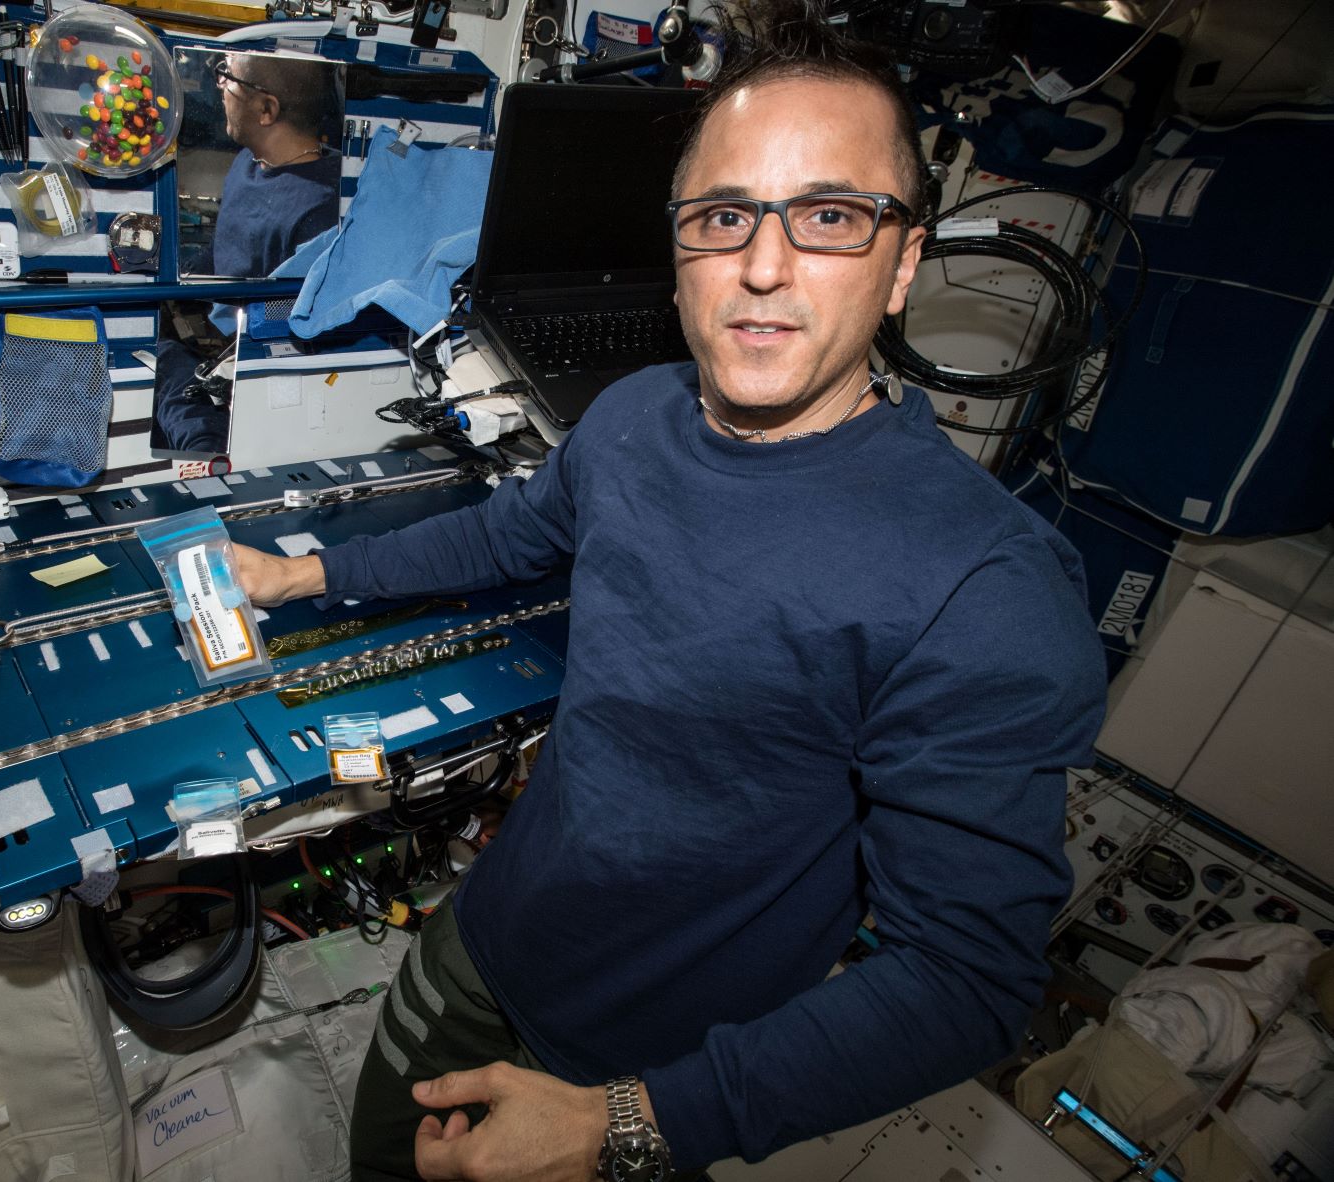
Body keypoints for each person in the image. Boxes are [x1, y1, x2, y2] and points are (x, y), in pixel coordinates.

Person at [233, 4, 1105, 1179]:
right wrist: (309, 571)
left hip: (647, 1066)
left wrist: (623, 1127)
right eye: (724, 216)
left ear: (904, 264)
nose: (762, 266)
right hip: (486, 941)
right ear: (681, 246)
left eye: (832, 217)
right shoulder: (636, 414)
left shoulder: (983, 588)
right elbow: (504, 538)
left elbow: (964, 981)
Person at [152, 52, 342, 454]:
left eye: (228, 77)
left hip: (241, 366)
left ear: (266, 109)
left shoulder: (320, 208)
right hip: (201, 331)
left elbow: (292, 338)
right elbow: (228, 251)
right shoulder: (247, 163)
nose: (220, 85)